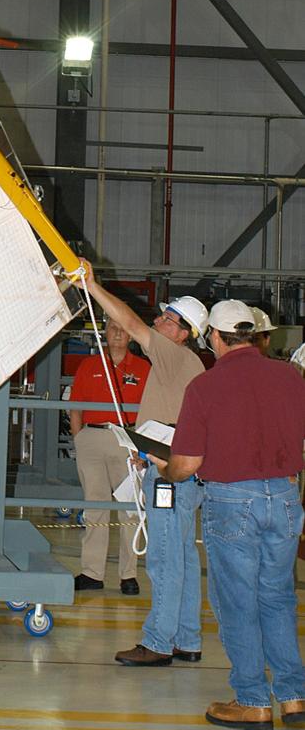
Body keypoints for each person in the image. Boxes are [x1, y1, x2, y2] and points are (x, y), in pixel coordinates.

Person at [153, 299, 305, 730]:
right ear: (254, 334)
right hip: (286, 497)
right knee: (277, 598)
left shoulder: (205, 387)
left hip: (232, 503)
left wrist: (163, 465)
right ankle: (294, 698)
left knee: (238, 602)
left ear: (214, 338)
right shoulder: (290, 377)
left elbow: (187, 464)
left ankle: (253, 700)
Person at [80, 262, 207, 667]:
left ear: (183, 333)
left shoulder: (173, 355)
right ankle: (186, 639)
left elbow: (131, 323)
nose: (159, 320)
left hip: (170, 474)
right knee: (183, 556)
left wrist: (92, 287)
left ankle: (157, 642)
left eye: (168, 319)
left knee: (165, 557)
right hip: (176, 469)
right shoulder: (186, 366)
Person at [69, 319, 150, 595]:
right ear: (104, 331)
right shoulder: (89, 366)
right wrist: (79, 439)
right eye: (112, 327)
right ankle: (92, 573)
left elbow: (150, 412)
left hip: (126, 440)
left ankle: (128, 575)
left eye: (123, 328)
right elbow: (75, 407)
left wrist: (142, 450)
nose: (117, 332)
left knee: (131, 507)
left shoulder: (143, 369)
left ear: (132, 334)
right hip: (91, 438)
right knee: (95, 507)